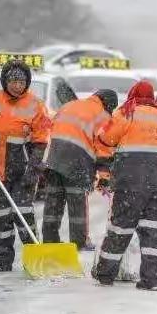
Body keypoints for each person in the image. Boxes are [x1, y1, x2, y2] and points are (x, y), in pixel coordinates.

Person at [95, 80, 157, 290]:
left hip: (131, 181)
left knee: (120, 228)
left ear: (132, 95)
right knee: (153, 231)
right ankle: (151, 279)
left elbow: (105, 138)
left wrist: (105, 168)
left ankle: (105, 274)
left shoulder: (127, 112)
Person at [0, 60, 50, 271]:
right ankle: (2, 260)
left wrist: (33, 171)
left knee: (24, 213)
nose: (17, 85)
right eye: (13, 80)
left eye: (21, 81)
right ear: (5, 81)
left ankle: (34, 259)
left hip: (21, 170)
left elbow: (40, 142)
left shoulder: (35, 105)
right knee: (0, 216)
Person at [41, 88, 117, 250]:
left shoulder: (71, 105)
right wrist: (104, 177)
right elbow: (104, 148)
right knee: (77, 203)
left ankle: (49, 239)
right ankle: (79, 242)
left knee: (53, 201)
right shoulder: (103, 116)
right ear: (109, 105)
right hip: (77, 162)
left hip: (54, 157)